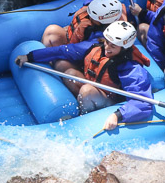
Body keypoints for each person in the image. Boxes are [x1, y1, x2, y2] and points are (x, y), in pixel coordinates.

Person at [16, 21, 153, 131]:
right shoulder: (95, 47)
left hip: (111, 101)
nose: (107, 48)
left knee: (87, 91)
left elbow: (143, 102)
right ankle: (80, 107)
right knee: (69, 72)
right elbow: (63, 51)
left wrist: (118, 115)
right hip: (94, 89)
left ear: (124, 48)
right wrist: (30, 56)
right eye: (106, 42)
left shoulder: (131, 69)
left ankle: (83, 119)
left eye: (113, 46)